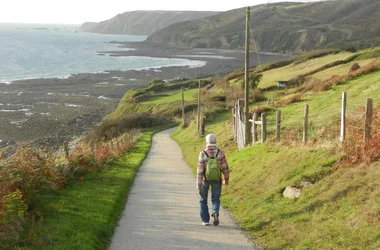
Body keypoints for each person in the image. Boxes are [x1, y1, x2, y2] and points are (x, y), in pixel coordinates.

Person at [197, 133, 229, 226]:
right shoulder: (220, 153)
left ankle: (205, 220)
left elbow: (200, 170)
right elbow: (225, 168)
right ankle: (215, 211)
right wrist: (225, 180)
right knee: (215, 198)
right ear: (215, 141)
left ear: (206, 142)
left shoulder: (203, 153)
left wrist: (199, 185)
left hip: (204, 179)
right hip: (217, 179)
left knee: (203, 199)